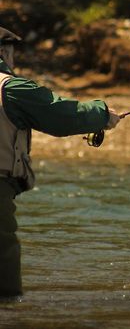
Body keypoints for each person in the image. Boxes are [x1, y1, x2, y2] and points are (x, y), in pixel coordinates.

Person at [0, 27, 121, 298]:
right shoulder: (11, 88)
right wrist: (101, 114)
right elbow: (61, 114)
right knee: (3, 285)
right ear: (3, 51)